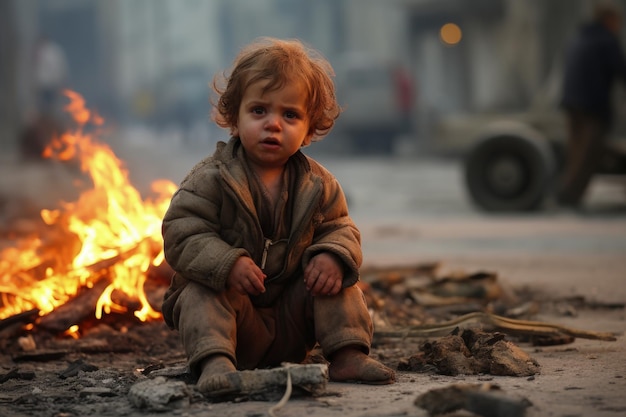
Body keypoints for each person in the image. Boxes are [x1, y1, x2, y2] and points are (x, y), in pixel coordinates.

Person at [161, 37, 396, 397]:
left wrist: (332, 255)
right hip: (236, 325)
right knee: (200, 289)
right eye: (259, 111)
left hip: (292, 320)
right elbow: (181, 232)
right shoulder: (210, 179)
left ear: (309, 128)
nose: (274, 124)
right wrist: (226, 263)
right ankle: (214, 365)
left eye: (290, 115)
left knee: (337, 279)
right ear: (234, 117)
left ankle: (347, 354)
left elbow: (341, 228)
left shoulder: (319, 184)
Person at [558, 2, 626, 207]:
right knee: (589, 154)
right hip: (592, 106)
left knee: (576, 152)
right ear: (609, 20)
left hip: (572, 104)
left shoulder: (579, 37)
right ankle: (568, 197)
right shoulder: (606, 40)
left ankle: (565, 193)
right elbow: (621, 71)